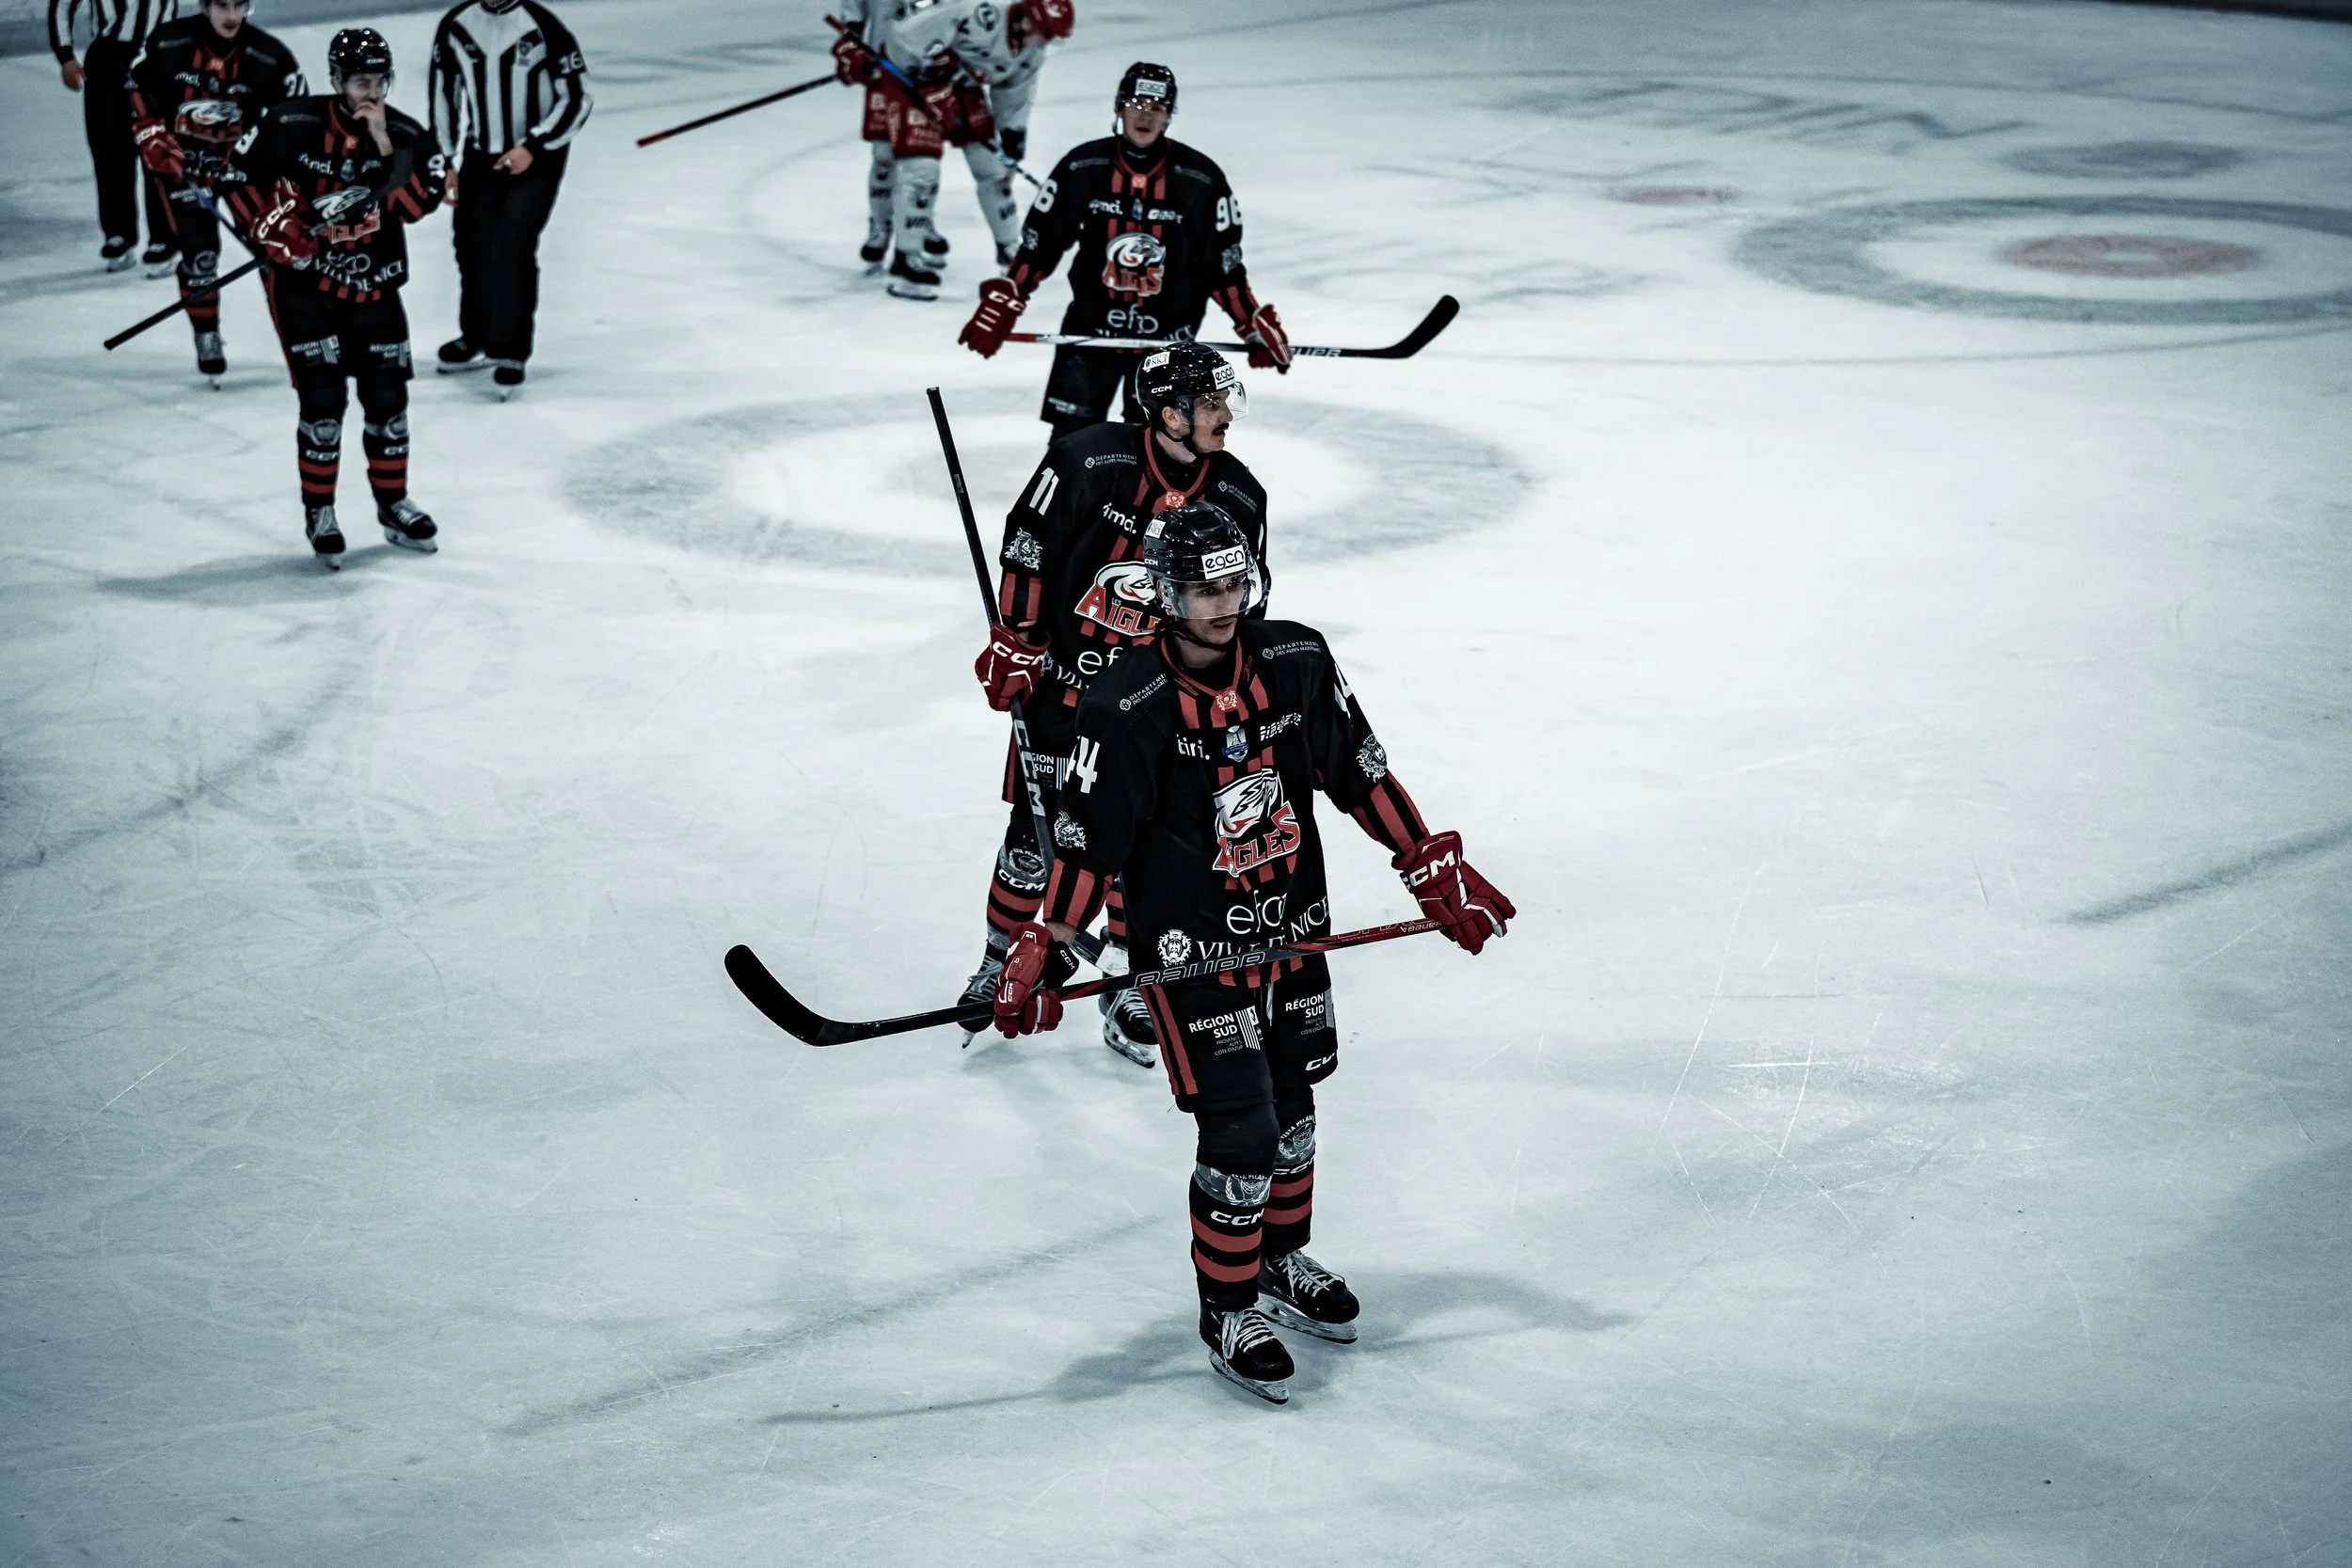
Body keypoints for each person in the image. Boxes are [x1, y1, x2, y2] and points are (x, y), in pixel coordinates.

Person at [988, 501, 1515, 1404]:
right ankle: (1227, 1304)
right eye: (1203, 585)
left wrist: (1429, 866)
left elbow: (1360, 768)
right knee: (1242, 1132)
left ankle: (1279, 1257)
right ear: (1165, 592)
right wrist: (1051, 946)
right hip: (1191, 954)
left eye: (1235, 580)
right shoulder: (1125, 703)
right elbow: (1090, 847)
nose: (1223, 600)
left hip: (1293, 927)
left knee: (1296, 1113)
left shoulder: (1298, 660)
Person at [964, 343, 1267, 1069]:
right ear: (1168, 413)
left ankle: (1132, 981)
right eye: (1211, 403)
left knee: (1146, 852)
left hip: (1154, 709)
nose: (1227, 415)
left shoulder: (1239, 494)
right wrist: (1016, 639)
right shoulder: (1084, 461)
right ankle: (999, 957)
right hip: (1065, 693)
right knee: (1035, 844)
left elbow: (1243, 610)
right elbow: (1028, 551)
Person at [958, 61, 1293, 436]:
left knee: (1160, 453)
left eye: (1157, 108)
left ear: (1169, 116)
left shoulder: (1200, 179)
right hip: (1090, 332)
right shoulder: (1083, 166)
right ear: (1119, 107)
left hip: (1168, 346)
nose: (1145, 115)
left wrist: (1250, 323)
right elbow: (1040, 244)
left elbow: (1222, 266)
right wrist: (1010, 294)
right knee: (1072, 448)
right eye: (1136, 103)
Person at [228, 26, 447, 567]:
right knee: (323, 407)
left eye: (377, 80)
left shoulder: (406, 134)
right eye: (358, 81)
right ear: (335, 81)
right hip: (306, 291)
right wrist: (270, 228)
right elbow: (235, 179)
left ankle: (392, 504)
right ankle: (319, 511)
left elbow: (420, 205)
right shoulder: (289, 121)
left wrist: (385, 145)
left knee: (389, 405)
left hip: (375, 287)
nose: (369, 92)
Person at [834, 0, 1071, 290]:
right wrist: (923, 81)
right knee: (921, 168)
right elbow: (906, 36)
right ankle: (907, 254)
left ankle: (1010, 249)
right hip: (910, 82)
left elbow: (1013, 92)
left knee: (994, 169)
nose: (1046, 42)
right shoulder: (981, 13)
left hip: (959, 86)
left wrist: (1012, 141)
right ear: (1026, 20)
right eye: (1046, 33)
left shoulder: (1032, 54)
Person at [128, 0, 305, 380]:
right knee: (201, 256)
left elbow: (293, 119)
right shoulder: (170, 42)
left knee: (275, 251)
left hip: (245, 172)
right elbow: (136, 84)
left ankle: (297, 342)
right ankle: (206, 334)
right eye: (222, 5)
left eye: (239, 5)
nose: (231, 15)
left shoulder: (271, 57)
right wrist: (150, 130)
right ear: (206, 6)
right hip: (186, 168)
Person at [425, 0, 593, 394]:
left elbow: (577, 98)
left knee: (513, 243)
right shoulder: (456, 26)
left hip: (537, 159)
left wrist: (534, 145)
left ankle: (511, 350)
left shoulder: (544, 26)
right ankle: (478, 336)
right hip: (480, 157)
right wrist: (447, 160)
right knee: (470, 243)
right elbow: (443, 97)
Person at [47, 0, 182, 274]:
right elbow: (61, 5)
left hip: (161, 58)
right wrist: (66, 55)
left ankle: (164, 238)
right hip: (108, 62)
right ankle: (118, 233)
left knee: (160, 150)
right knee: (110, 151)